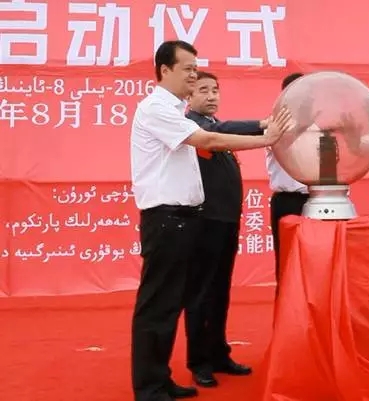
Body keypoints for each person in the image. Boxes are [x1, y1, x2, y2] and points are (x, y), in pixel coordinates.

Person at [129, 40, 291, 401]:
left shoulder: (173, 111)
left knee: (172, 303)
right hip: (166, 219)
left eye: (195, 67)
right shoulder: (156, 109)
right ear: (164, 71)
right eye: (187, 69)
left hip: (186, 219)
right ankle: (149, 387)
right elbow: (209, 138)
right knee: (158, 306)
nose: (193, 75)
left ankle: (161, 378)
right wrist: (267, 138)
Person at [183, 71, 263, 388]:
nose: (211, 95)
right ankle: (199, 361)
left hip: (226, 222)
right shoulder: (194, 127)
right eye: (203, 90)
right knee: (201, 293)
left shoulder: (214, 126)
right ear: (189, 96)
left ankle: (218, 353)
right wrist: (263, 125)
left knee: (220, 291)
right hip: (205, 222)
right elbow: (221, 132)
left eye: (215, 90)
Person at [266, 72, 309, 293]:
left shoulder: (322, 126)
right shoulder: (274, 126)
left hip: (317, 201)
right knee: (287, 263)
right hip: (288, 202)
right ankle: (287, 310)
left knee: (315, 261)